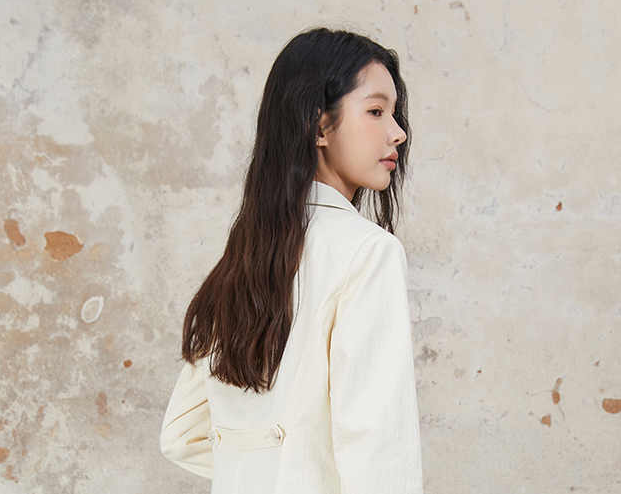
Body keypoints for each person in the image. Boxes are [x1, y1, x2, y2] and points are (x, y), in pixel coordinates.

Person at [160, 28, 424, 494]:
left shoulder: (246, 255)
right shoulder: (368, 251)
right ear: (319, 126)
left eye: (394, 113)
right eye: (376, 111)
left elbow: (181, 436)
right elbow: (379, 453)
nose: (397, 131)